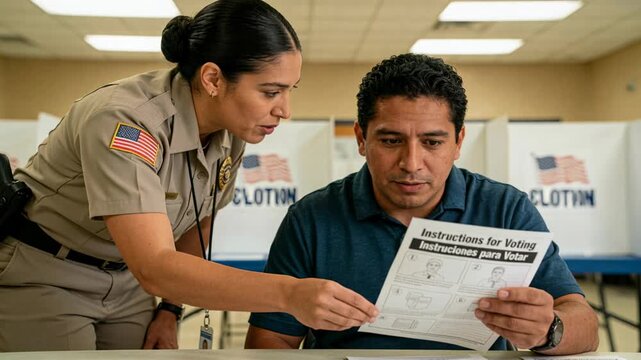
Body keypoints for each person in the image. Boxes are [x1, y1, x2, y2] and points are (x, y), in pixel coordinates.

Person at [0, 0, 377, 351]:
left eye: (289, 91)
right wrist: (289, 295)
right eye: (270, 92)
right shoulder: (126, 121)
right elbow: (155, 265)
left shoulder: (232, 131)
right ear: (212, 79)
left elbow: (197, 222)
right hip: (49, 273)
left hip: (128, 285)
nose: (285, 110)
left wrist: (170, 309)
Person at [245, 53, 599, 353]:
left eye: (432, 143)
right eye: (390, 140)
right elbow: (271, 339)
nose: (411, 163)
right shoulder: (312, 218)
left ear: (458, 142)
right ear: (361, 138)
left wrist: (549, 329)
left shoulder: (505, 209)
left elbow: (585, 324)